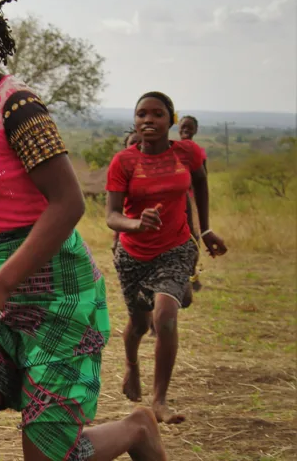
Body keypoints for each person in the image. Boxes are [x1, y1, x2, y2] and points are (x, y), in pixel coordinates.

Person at [0, 0, 168, 460]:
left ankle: (135, 429)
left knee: (50, 453)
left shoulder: (18, 108)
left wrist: (2, 285)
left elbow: (68, 204)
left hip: (58, 293)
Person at [107, 92, 227, 425]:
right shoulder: (124, 162)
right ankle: (131, 366)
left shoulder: (188, 153)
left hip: (175, 248)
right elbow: (112, 216)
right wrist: (136, 223)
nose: (149, 120)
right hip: (132, 255)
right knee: (140, 324)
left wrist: (205, 230)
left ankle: (159, 400)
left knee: (165, 314)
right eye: (142, 114)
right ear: (134, 121)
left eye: (158, 114)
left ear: (170, 120)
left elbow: (201, 182)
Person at [178, 115, 205, 291]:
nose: (186, 130)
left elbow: (203, 179)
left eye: (190, 127)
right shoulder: (172, 148)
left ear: (195, 130)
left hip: (191, 200)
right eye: (183, 127)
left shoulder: (198, 152)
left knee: (194, 237)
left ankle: (192, 274)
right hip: (175, 200)